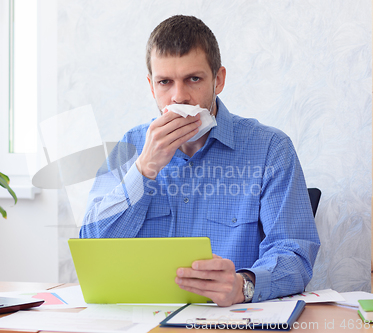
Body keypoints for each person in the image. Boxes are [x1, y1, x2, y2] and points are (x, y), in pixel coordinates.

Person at [79, 15, 320, 307]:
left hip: (229, 319)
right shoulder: (130, 147)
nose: (179, 95)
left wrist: (243, 285)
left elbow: (294, 253)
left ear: (218, 80)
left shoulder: (270, 149)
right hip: (143, 317)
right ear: (151, 86)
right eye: (165, 82)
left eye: (193, 79)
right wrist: (143, 170)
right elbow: (91, 246)